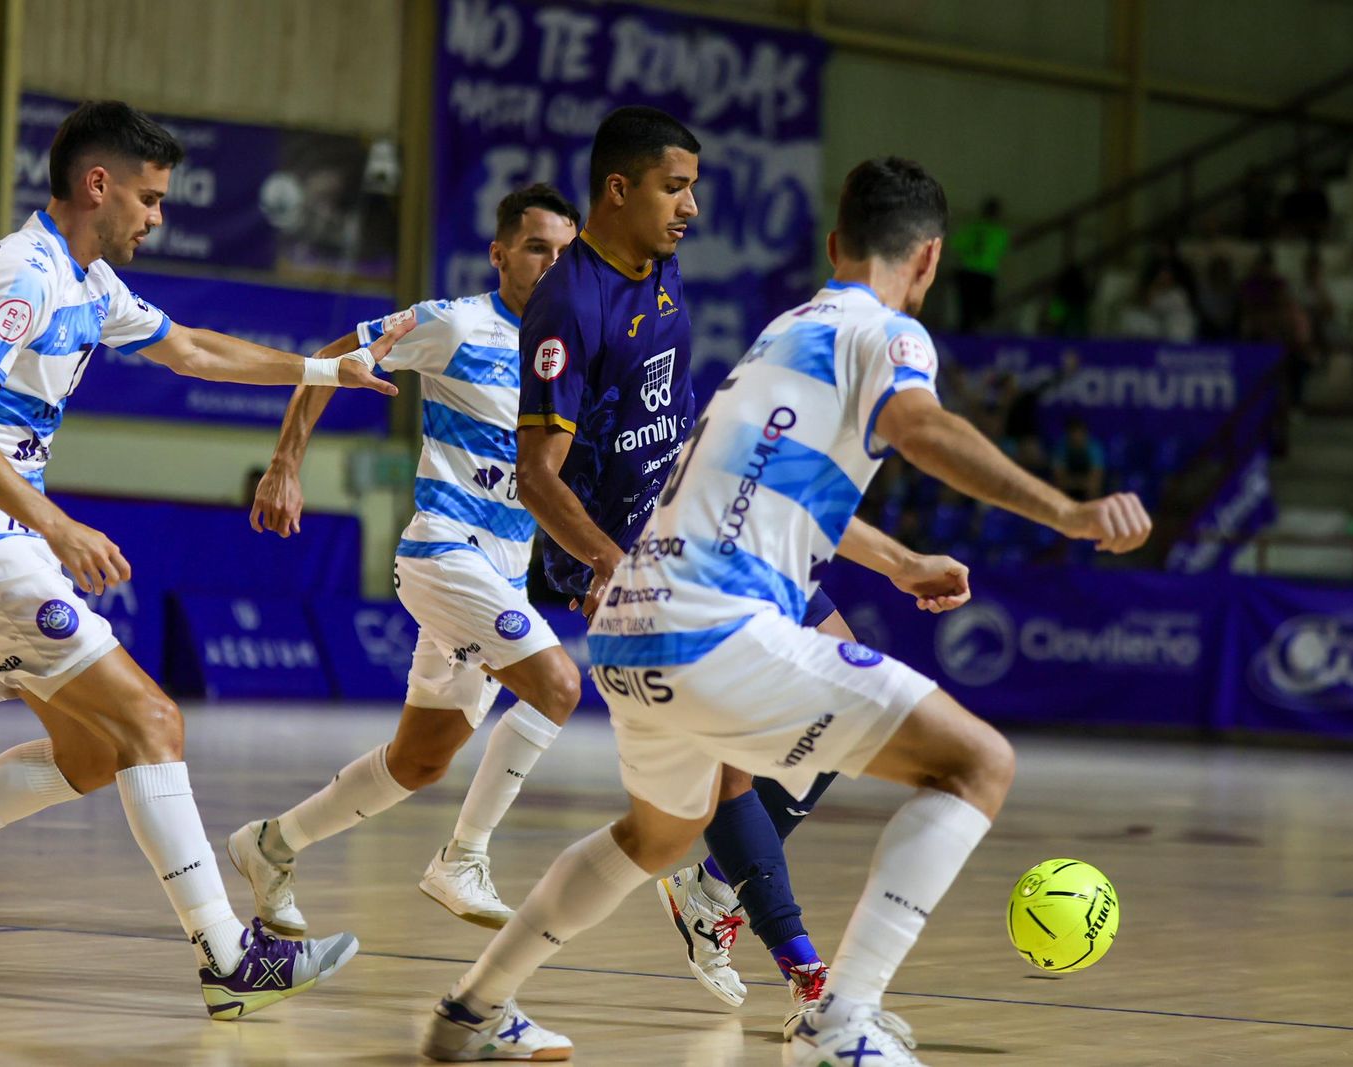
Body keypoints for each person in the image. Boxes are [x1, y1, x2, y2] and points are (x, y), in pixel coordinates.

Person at [419, 156, 1152, 1066]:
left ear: (836, 244)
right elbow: (923, 429)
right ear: (927, 262)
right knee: (976, 763)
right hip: (718, 631)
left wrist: (901, 560)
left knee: (659, 834)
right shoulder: (889, 333)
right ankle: (838, 1020)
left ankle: (472, 1007)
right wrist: (1069, 511)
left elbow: (784, 496)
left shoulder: (782, 337)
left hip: (632, 628)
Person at [0, 100, 407, 1019]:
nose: (157, 217)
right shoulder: (20, 274)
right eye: (148, 198)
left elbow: (189, 349)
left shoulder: (88, 281)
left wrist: (319, 371)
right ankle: (229, 958)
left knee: (95, 751)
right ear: (97, 185)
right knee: (153, 721)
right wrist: (56, 525)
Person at [232, 183, 583, 934]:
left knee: (420, 761)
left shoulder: (569, 358)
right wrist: (286, 463)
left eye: (565, 252)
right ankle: (464, 855)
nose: (552, 264)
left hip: (501, 572)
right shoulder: (457, 323)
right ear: (500, 255)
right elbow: (331, 355)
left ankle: (271, 844)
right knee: (557, 685)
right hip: (444, 552)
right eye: (536, 248)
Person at [951, 196, 1008, 332]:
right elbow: (1001, 251)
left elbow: (956, 244)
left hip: (968, 270)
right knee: (983, 310)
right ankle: (980, 337)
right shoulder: (999, 232)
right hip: (986, 273)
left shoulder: (972, 227)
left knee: (966, 309)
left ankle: (965, 338)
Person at [1052, 417, 1107, 501]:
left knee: (1094, 488)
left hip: (1085, 486)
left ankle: (1093, 512)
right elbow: (1059, 479)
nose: (1076, 437)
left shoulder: (1094, 447)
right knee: (1056, 489)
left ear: (1085, 434)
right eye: (1073, 434)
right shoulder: (1061, 447)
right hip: (1070, 486)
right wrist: (1079, 482)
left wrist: (1075, 482)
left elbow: (1096, 480)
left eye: (1079, 433)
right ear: (1068, 434)